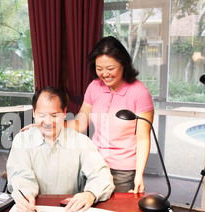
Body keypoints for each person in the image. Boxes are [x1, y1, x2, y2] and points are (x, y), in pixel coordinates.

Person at [7, 86, 115, 212]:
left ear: (64, 113)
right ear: (34, 113)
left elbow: (101, 174)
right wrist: (25, 196)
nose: (48, 122)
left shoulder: (80, 141)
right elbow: (20, 175)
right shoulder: (22, 140)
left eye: (54, 115)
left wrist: (90, 194)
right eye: (42, 115)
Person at [66, 36, 154, 193]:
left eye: (110, 68)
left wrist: (139, 175)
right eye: (99, 69)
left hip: (123, 170)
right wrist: (52, 126)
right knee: (91, 210)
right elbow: (80, 122)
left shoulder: (139, 92)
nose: (104, 74)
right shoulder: (94, 87)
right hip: (94, 163)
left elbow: (143, 138)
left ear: (123, 64)